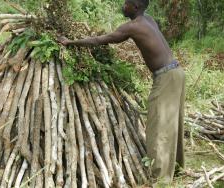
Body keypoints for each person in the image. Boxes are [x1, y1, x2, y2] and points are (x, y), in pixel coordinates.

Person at [58, 0, 185, 184]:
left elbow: (101, 40)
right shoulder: (148, 20)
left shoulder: (133, 26)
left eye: (126, 3)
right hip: (176, 73)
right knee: (173, 123)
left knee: (159, 126)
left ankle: (161, 179)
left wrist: (70, 42)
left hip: (166, 77)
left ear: (135, 7)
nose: (123, 6)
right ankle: (177, 168)